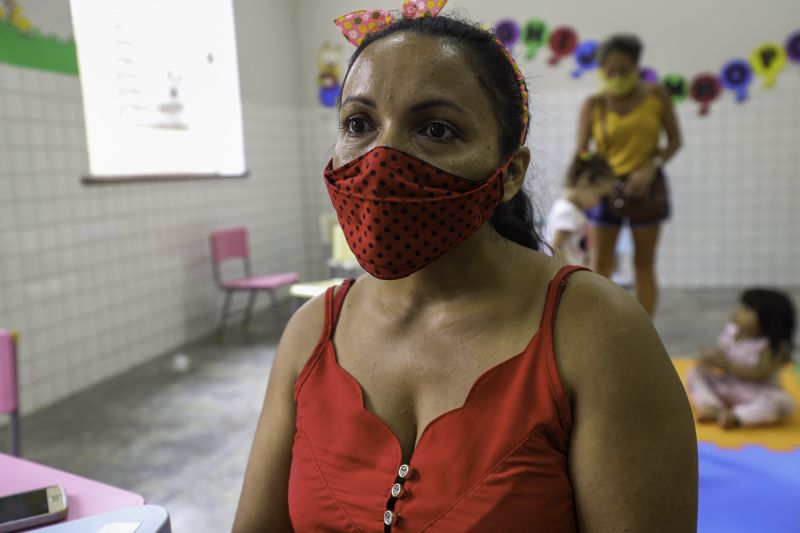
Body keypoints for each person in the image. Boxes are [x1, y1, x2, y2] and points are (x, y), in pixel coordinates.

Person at [234, 9, 697, 533]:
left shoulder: (596, 335)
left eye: (436, 129)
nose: (383, 158)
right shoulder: (310, 334)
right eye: (359, 124)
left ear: (510, 174)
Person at [576, 34, 682, 316]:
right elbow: (582, 151)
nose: (618, 76)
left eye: (624, 69)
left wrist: (653, 165)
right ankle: (602, 327)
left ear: (636, 66)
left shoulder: (657, 95)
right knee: (600, 265)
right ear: (601, 70)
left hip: (647, 188)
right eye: (611, 70)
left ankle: (645, 331)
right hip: (605, 189)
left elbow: (674, 141)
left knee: (644, 264)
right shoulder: (594, 104)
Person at [688, 289, 796, 429]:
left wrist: (726, 365)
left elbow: (759, 373)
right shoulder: (733, 331)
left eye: (747, 309)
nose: (738, 310)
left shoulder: (771, 346)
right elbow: (722, 351)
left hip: (757, 393)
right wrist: (711, 359)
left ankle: (738, 416)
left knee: (783, 403)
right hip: (727, 386)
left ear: (767, 320)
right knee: (696, 372)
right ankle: (711, 405)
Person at [545, 153, 614, 265]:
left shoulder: (568, 208)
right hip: (565, 275)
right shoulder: (569, 212)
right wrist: (568, 272)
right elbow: (555, 248)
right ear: (584, 184)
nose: (599, 202)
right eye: (600, 196)